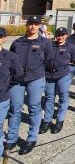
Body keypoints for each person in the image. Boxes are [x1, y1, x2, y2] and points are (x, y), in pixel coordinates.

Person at [7, 16, 53, 155]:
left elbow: (49, 60)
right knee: (15, 108)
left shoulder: (44, 42)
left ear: (39, 26)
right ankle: (12, 139)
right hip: (18, 79)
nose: (33, 26)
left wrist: (38, 71)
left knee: (34, 107)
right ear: (27, 25)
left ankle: (31, 138)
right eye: (30, 24)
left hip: (35, 78)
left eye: (36, 24)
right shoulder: (17, 42)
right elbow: (11, 59)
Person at [40, 27, 75, 135]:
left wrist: (63, 65)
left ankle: (59, 121)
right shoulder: (50, 45)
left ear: (66, 35)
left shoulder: (71, 47)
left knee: (63, 98)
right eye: (58, 35)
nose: (60, 37)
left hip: (63, 75)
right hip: (49, 75)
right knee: (49, 98)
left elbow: (74, 60)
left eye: (62, 35)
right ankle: (47, 121)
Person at [0, 27, 24, 158]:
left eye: (0, 36)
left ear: (4, 38)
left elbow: (18, 75)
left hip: (1, 98)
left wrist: (5, 86)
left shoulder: (10, 56)